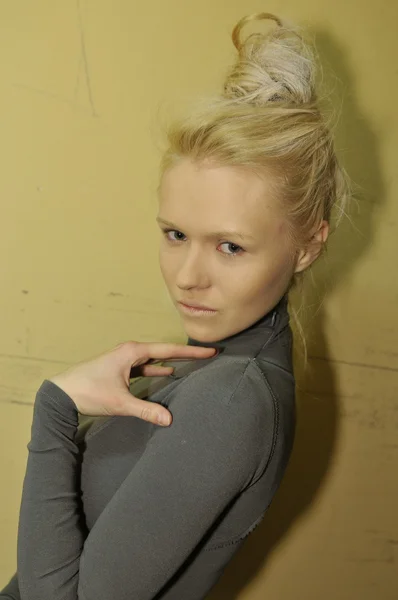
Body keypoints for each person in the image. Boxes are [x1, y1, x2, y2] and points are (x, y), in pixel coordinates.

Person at [0, 11, 351, 600]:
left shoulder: (232, 397)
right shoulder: (214, 366)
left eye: (230, 246)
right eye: (175, 235)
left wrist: (55, 409)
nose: (188, 277)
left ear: (309, 245)